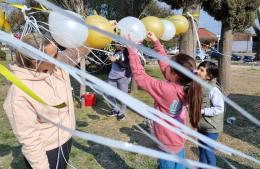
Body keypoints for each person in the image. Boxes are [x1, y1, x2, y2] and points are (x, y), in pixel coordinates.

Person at [3, 33, 90, 169]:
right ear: (35, 61)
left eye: (57, 53)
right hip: (48, 152)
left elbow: (74, 53)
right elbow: (30, 141)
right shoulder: (19, 94)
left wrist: (98, 32)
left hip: (66, 140)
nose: (58, 58)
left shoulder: (54, 66)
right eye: (54, 56)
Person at [127, 32, 202, 169]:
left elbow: (140, 76)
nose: (165, 66)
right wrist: (156, 42)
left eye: (169, 66)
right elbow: (164, 66)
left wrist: (131, 49)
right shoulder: (187, 85)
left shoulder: (166, 89)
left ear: (175, 74)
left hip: (166, 141)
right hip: (178, 138)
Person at [197, 61, 224, 167]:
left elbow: (219, 108)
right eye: (198, 68)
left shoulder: (214, 90)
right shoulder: (198, 84)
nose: (198, 71)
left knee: (208, 150)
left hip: (212, 126)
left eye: (201, 70)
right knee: (201, 148)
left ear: (209, 76)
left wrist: (202, 111)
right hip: (202, 124)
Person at [107, 42, 132, 121]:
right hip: (112, 76)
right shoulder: (116, 51)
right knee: (107, 92)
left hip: (123, 77)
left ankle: (121, 112)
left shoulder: (128, 52)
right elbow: (114, 63)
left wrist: (115, 60)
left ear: (122, 44)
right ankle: (115, 109)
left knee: (123, 96)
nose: (115, 45)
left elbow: (126, 65)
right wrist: (110, 59)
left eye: (116, 43)